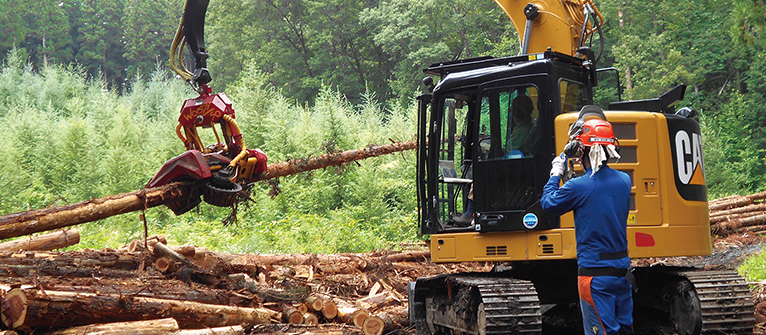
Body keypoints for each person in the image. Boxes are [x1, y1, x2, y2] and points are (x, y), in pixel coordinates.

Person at [540, 118, 634, 335]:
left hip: (595, 277)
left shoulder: (578, 186)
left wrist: (556, 173)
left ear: (581, 150)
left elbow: (549, 203)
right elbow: (597, 193)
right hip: (622, 273)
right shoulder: (624, 180)